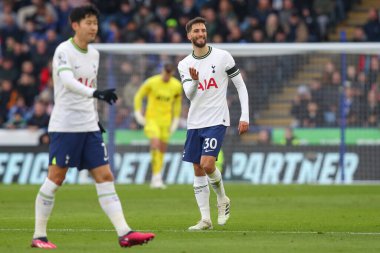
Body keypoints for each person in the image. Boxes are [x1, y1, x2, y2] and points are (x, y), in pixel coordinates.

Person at [30, 5, 155, 249]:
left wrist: (94, 116)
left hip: (88, 127)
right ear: (75, 25)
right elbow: (67, 82)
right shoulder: (63, 51)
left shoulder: (95, 54)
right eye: (88, 22)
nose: (93, 27)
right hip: (66, 126)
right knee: (56, 178)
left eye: (95, 23)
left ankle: (125, 233)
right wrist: (96, 93)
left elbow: (87, 89)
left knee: (105, 175)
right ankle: (39, 235)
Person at [177, 17, 249, 230]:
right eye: (196, 31)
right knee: (198, 169)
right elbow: (189, 94)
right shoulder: (184, 64)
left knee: (208, 164)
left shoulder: (222, 56)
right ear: (189, 35)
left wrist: (244, 115)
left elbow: (240, 86)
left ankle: (223, 199)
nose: (200, 34)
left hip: (217, 119)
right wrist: (196, 81)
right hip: (195, 121)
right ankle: (205, 219)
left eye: (203, 30)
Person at [134, 63, 182, 189]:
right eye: (165, 73)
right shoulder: (151, 82)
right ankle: (156, 177)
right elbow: (138, 96)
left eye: (169, 74)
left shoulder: (176, 86)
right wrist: (138, 113)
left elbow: (177, 103)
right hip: (152, 120)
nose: (167, 76)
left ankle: (157, 176)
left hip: (166, 121)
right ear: (162, 71)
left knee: (162, 148)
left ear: (172, 73)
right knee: (155, 143)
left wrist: (176, 119)